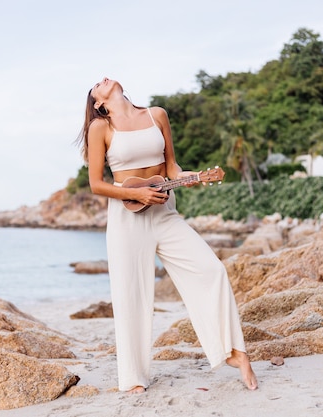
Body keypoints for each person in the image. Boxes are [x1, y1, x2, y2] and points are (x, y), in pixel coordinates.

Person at [76, 77, 258, 393]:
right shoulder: (101, 128)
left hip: (165, 213)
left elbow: (171, 167)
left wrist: (189, 177)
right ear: (98, 103)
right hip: (126, 218)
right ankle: (133, 379)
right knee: (130, 295)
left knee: (211, 270)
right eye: (96, 84)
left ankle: (233, 351)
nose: (103, 79)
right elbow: (96, 184)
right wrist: (139, 194)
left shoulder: (156, 114)